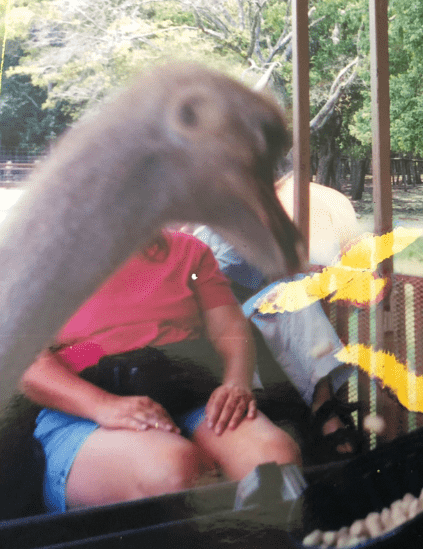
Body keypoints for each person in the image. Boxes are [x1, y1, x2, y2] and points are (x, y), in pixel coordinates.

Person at [21, 231, 301, 513]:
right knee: (173, 471)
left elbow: (228, 328)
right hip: (85, 412)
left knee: (276, 460)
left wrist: (236, 383)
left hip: (186, 394)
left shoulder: (188, 250)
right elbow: (26, 363)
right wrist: (104, 406)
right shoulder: (43, 265)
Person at [191, 178, 364, 461]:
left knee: (295, 291)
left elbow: (245, 273)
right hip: (210, 325)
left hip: (245, 313)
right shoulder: (191, 237)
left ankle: (324, 407)